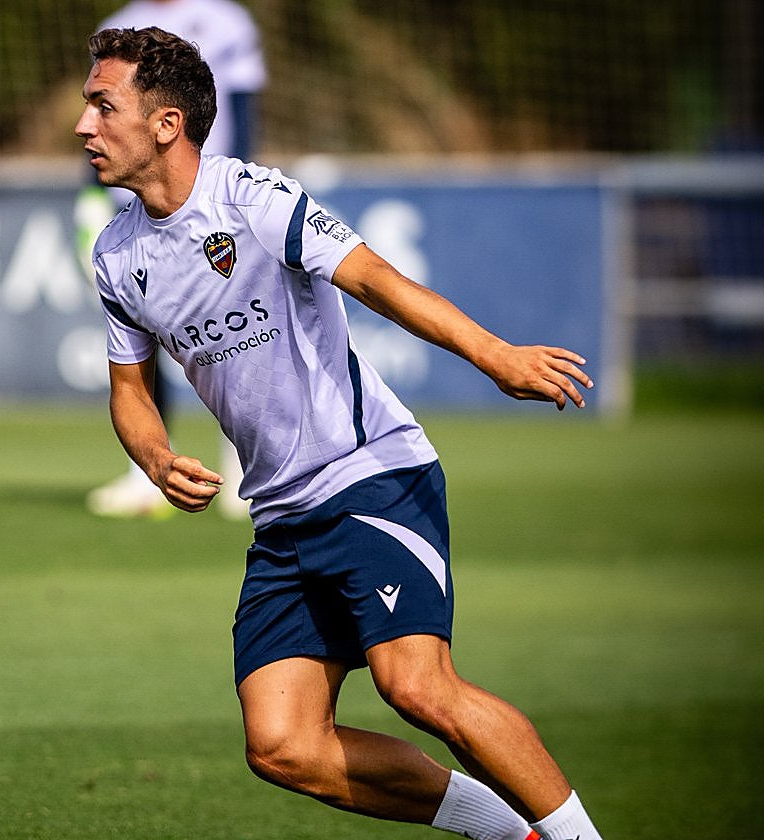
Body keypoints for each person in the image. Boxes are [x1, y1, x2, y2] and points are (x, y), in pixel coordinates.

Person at [75, 26, 604, 840]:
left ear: (166, 123)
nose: (84, 126)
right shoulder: (116, 256)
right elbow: (130, 390)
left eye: (102, 106)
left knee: (417, 686)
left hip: (370, 475)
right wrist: (154, 457)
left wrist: (495, 356)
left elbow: (380, 283)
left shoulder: (256, 201)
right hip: (283, 515)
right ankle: (507, 831)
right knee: (283, 745)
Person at [79, 0, 266, 521]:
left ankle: (244, 463)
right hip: (129, 204)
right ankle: (153, 466)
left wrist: (241, 191)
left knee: (237, 331)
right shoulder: (117, 27)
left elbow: (246, 111)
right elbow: (101, 119)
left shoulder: (228, 20)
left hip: (207, 202)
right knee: (144, 337)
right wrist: (88, 199)